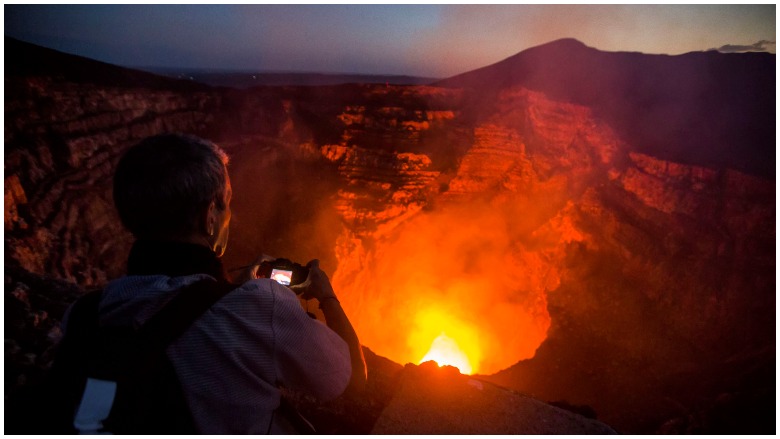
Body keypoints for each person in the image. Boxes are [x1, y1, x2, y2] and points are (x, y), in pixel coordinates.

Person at [104, 133, 366, 433]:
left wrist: (225, 290)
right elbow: (353, 382)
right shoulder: (260, 307)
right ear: (209, 218)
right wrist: (326, 296)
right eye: (226, 204)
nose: (231, 215)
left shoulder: (90, 314)